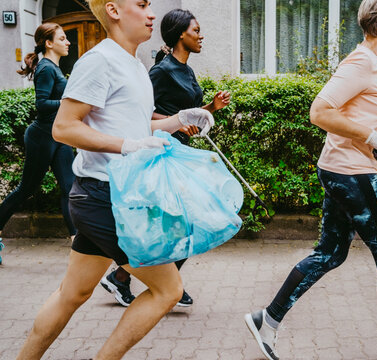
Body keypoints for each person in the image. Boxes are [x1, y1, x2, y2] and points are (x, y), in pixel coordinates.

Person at [244, 1, 377, 359]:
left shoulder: (375, 65)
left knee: (330, 253)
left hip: (341, 169)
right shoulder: (361, 63)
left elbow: (359, 112)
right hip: (353, 173)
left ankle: (268, 319)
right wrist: (373, 139)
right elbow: (320, 111)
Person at [15, 0, 213, 358]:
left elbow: (134, 126)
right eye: (141, 4)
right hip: (106, 196)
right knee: (167, 291)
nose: (152, 13)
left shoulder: (134, 65)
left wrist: (178, 118)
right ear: (114, 10)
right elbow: (63, 127)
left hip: (107, 194)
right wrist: (129, 146)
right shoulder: (99, 60)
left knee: (71, 294)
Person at [100, 8, 231, 309]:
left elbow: (192, 113)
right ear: (181, 35)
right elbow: (140, 113)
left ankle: (124, 277)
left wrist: (212, 106)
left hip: (180, 152)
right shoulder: (161, 71)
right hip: (160, 153)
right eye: (196, 30)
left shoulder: (187, 71)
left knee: (181, 223)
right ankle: (147, 280)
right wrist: (174, 121)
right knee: (185, 221)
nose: (201, 36)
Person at [0, 23, 76, 259]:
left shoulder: (54, 67)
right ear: (49, 43)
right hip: (42, 137)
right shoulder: (45, 68)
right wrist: (69, 101)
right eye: (63, 38)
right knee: (26, 189)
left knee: (69, 188)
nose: (68, 42)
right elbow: (41, 105)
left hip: (60, 135)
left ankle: (76, 241)